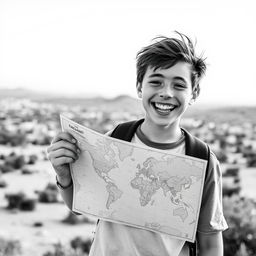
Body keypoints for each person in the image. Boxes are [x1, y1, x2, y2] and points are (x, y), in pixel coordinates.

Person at [47, 31, 228, 256]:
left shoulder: (202, 158)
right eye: (156, 82)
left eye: (179, 85)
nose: (166, 93)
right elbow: (79, 205)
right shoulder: (116, 138)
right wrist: (64, 175)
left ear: (194, 92)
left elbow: (210, 242)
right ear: (140, 87)